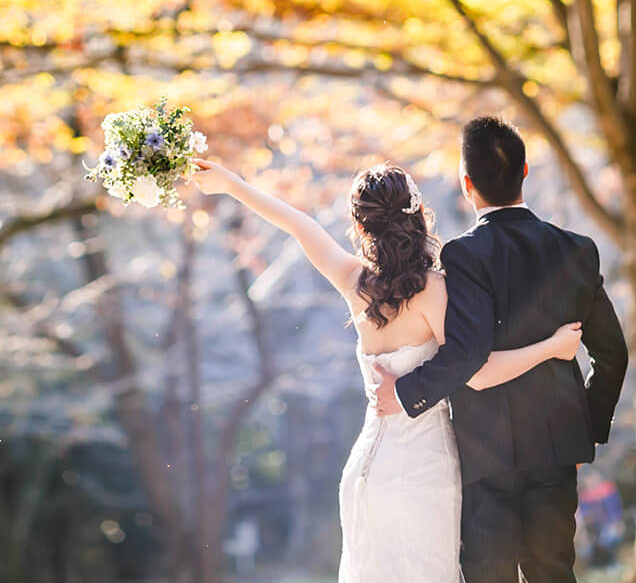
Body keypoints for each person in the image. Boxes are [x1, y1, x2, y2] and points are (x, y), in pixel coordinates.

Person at [194, 154, 583, 583]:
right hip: (423, 472)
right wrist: (551, 347)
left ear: (361, 227)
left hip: (365, 470)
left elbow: (299, 223)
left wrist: (233, 184)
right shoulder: (436, 290)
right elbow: (478, 371)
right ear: (418, 215)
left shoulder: (353, 281)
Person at [372, 116, 628, 583]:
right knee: (554, 572)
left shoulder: (464, 255)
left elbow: (469, 352)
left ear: (466, 185)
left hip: (484, 451)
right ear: (525, 172)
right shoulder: (577, 250)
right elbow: (613, 355)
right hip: (555, 448)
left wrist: (408, 393)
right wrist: (584, 431)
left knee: (489, 575)